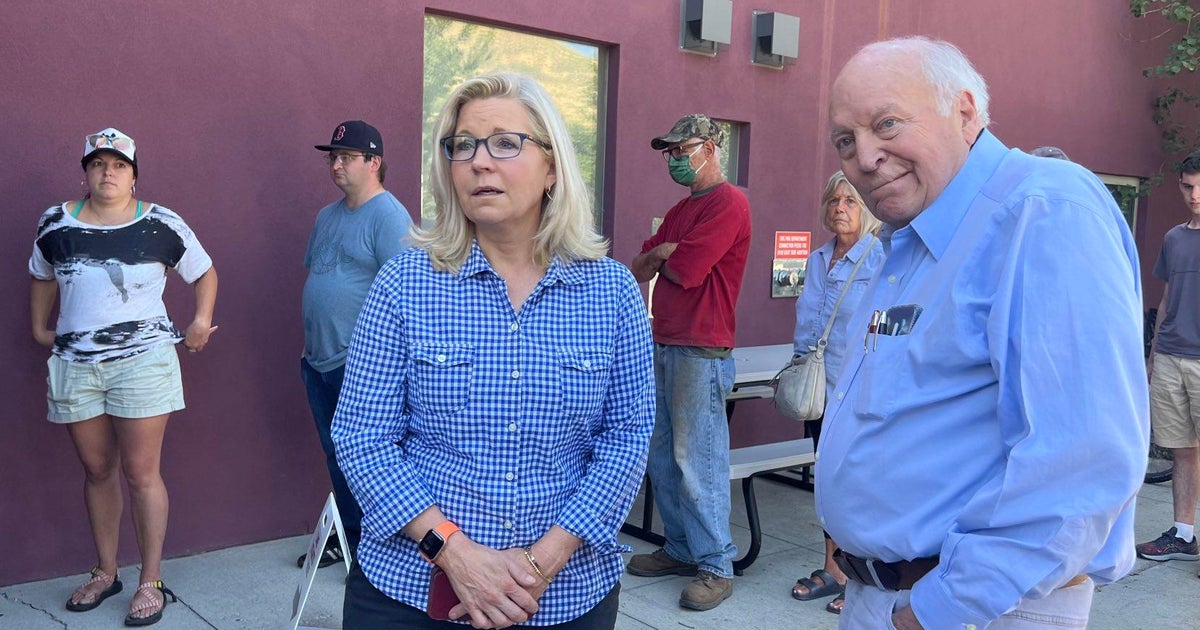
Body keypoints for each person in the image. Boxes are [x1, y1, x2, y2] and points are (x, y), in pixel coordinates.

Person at [818, 37, 1148, 629]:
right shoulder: (910, 240)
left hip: (978, 609)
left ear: (965, 112)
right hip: (893, 597)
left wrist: (936, 610)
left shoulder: (1042, 210)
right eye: (845, 140)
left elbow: (1080, 463)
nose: (864, 157)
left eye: (886, 124)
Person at [331, 72, 654, 629]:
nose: (479, 161)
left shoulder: (611, 291)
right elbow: (362, 437)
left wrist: (542, 561)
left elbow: (626, 438)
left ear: (552, 167)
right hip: (410, 592)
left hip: (565, 595)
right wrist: (454, 553)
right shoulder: (405, 283)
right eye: (463, 145)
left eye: (505, 142)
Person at [29, 127, 218, 626]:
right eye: (98, 164)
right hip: (76, 365)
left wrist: (200, 321)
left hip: (144, 362)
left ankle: (150, 579)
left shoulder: (161, 222)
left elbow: (204, 272)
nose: (107, 173)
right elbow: (42, 273)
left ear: (134, 176)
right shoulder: (56, 222)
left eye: (118, 165)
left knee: (140, 472)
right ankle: (106, 571)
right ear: (86, 173)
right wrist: (39, 328)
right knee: (96, 470)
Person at [626, 114, 751, 611]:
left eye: (683, 149)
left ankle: (716, 565)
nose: (675, 158)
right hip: (664, 342)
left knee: (697, 460)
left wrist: (666, 256)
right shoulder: (680, 211)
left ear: (710, 149)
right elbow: (639, 267)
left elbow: (689, 270)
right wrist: (663, 250)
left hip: (702, 348)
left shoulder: (730, 202)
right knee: (661, 456)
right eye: (670, 152)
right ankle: (680, 548)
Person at [300, 120, 413, 567]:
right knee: (336, 453)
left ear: (374, 162)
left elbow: (409, 294)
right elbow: (321, 275)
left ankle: (378, 547)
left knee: (369, 455)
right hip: (318, 360)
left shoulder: (388, 216)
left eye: (346, 157)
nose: (336, 165)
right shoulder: (326, 216)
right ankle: (349, 537)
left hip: (360, 362)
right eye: (333, 157)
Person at [788, 172, 883, 615]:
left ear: (866, 209)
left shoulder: (879, 257)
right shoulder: (817, 259)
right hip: (818, 392)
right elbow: (806, 324)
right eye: (833, 200)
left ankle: (862, 577)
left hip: (857, 394)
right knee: (826, 483)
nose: (840, 208)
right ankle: (835, 569)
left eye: (850, 200)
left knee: (858, 485)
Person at [1136, 150, 1200, 566]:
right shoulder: (1174, 238)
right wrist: (1153, 353)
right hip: (1171, 356)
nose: (1195, 195)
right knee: (1182, 450)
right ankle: (1183, 534)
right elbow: (1166, 297)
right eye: (1189, 186)